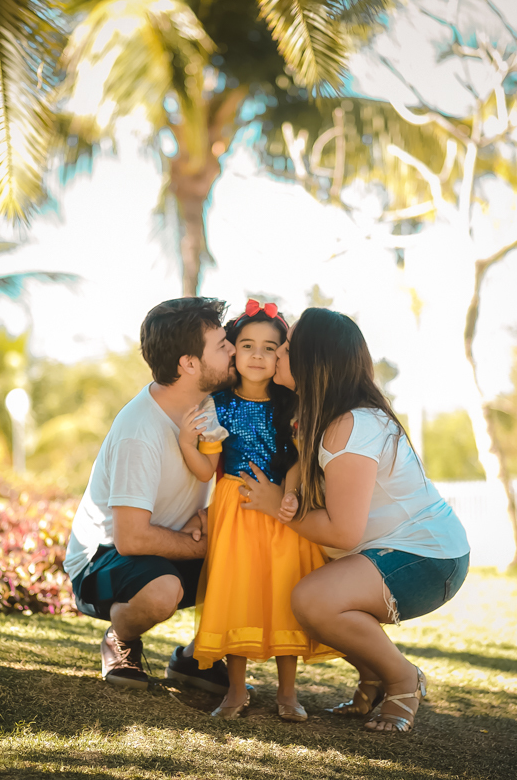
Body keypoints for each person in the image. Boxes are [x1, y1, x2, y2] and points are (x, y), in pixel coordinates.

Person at [239, 307, 470, 733]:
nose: (277, 355)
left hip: (428, 557)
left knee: (314, 599)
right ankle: (373, 676)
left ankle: (402, 678)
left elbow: (343, 531)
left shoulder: (352, 426)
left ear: (314, 362)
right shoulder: (322, 418)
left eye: (287, 348)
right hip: (394, 551)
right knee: (308, 589)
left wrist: (276, 506)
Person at [63, 297, 236, 693]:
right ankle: (120, 639)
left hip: (167, 544)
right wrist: (206, 545)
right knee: (162, 592)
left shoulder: (206, 406)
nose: (232, 352)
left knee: (259, 548)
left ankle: (197, 658)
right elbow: (131, 538)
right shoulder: (140, 431)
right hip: (104, 559)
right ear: (189, 364)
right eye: (222, 345)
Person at [177, 300, 339, 721]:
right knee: (238, 590)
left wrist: (291, 493)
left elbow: (301, 458)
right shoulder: (218, 404)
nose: (257, 355)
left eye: (270, 348)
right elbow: (204, 469)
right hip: (236, 507)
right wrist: (184, 444)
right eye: (246, 345)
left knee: (284, 591)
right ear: (233, 349)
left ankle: (288, 693)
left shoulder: (293, 405)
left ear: (284, 355)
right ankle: (235, 691)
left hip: (282, 511)